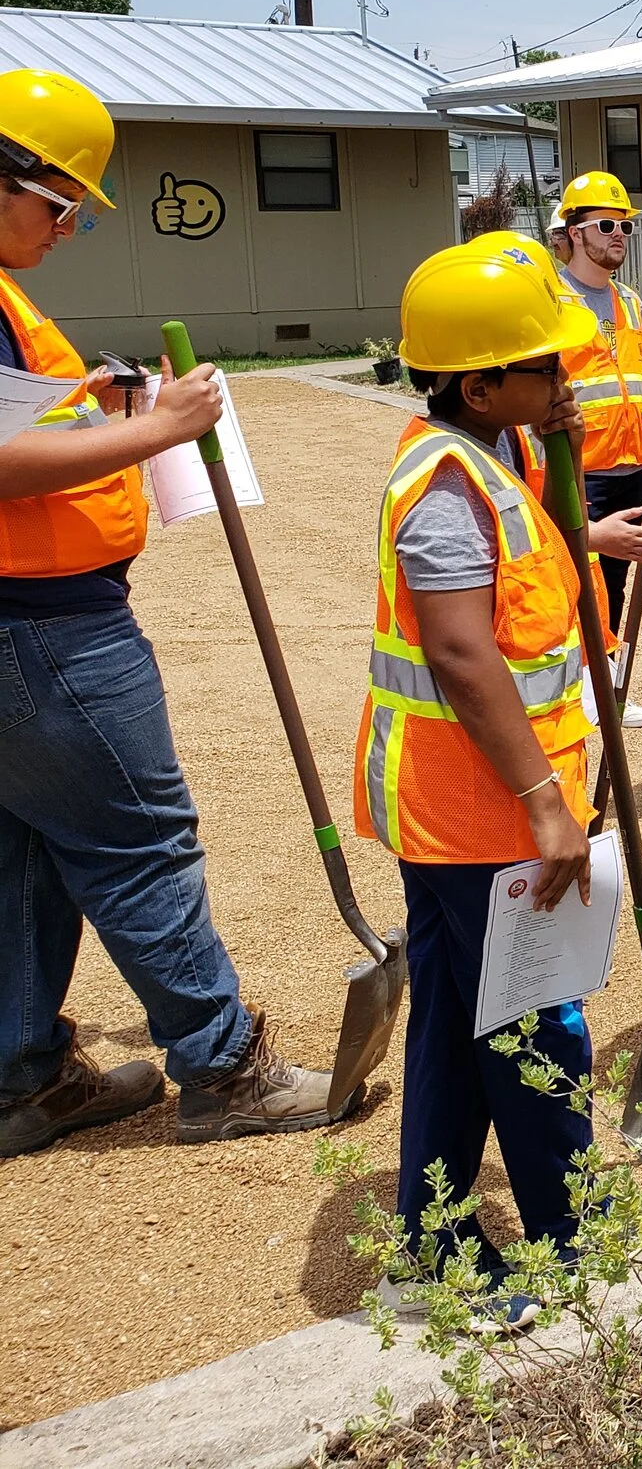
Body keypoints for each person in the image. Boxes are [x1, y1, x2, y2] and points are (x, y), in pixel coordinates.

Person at [0, 67, 341, 1160]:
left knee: (27, 849)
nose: (63, 232)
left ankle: (24, 1077)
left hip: (28, 622)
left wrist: (87, 405)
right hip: (45, 632)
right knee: (137, 842)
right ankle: (222, 1066)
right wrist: (160, 428)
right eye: (58, 206)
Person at [355, 239, 607, 1305]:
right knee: (532, 1023)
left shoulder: (482, 459)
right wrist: (546, 805)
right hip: (482, 811)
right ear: (478, 381)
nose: (565, 380)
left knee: (464, 1021)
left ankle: (439, 1238)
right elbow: (462, 652)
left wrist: (558, 450)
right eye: (544, 366)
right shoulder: (446, 489)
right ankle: (567, 1237)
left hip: (472, 804)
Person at [547, 171, 642, 729]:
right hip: (579, 468)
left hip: (631, 462)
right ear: (572, 231)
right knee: (577, 582)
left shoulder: (630, 303)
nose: (619, 234)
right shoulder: (553, 303)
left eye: (624, 226)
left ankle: (608, 687)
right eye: (605, 225)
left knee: (617, 583)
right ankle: (584, 689)